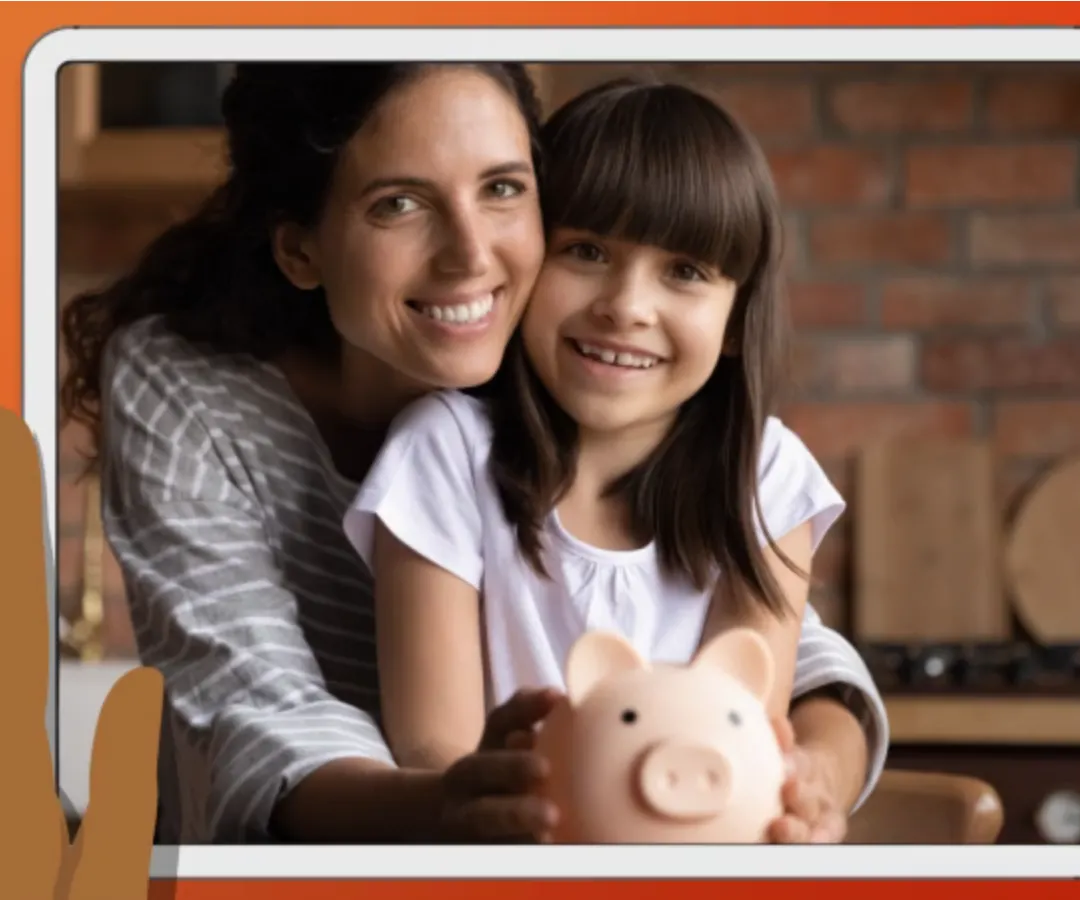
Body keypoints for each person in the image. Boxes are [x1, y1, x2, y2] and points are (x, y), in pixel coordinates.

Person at [59, 61, 887, 846]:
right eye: (397, 205)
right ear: (301, 247)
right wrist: (460, 804)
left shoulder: (584, 390)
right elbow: (254, 709)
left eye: (501, 189)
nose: (471, 256)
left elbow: (735, 636)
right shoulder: (205, 392)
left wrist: (812, 760)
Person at [345, 77, 852, 798]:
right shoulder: (444, 455)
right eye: (586, 252)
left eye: (684, 272)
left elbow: (739, 734)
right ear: (523, 266)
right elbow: (435, 747)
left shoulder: (766, 477)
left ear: (737, 321)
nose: (626, 307)